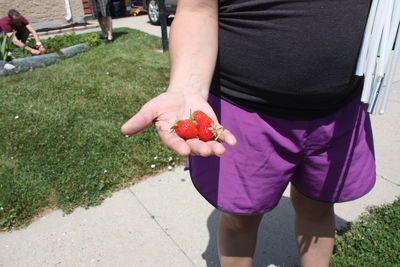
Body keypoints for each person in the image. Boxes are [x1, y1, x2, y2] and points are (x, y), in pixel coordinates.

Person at [121, 0, 376, 266]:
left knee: (319, 205)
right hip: (244, 110)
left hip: (339, 107)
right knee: (240, 217)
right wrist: (187, 87)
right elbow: (197, 9)